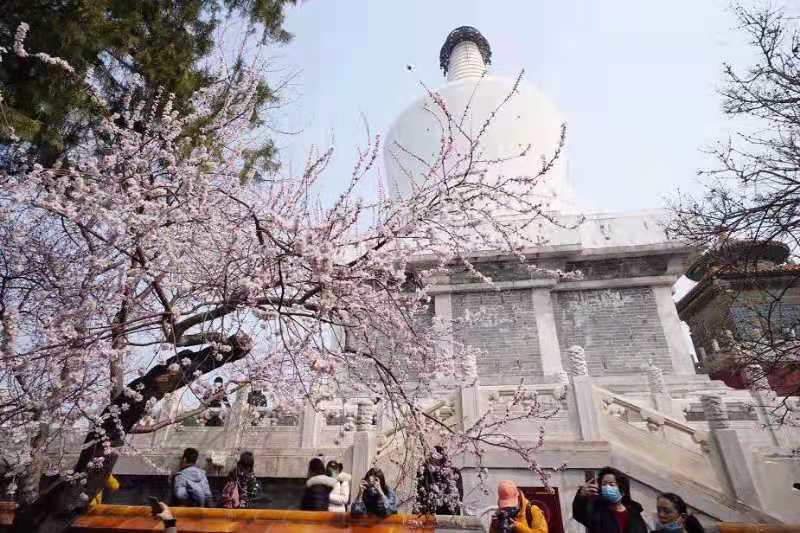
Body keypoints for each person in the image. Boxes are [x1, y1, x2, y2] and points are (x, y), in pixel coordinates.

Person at [572, 467, 648, 533]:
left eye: (611, 484)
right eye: (604, 484)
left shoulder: (634, 513)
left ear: (622, 491)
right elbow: (579, 514)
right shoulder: (596, 510)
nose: (607, 488)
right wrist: (581, 496)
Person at [415, 445, 464, 515]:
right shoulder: (424, 470)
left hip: (449, 510)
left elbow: (459, 493)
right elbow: (421, 492)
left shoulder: (453, 471)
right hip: (431, 511)